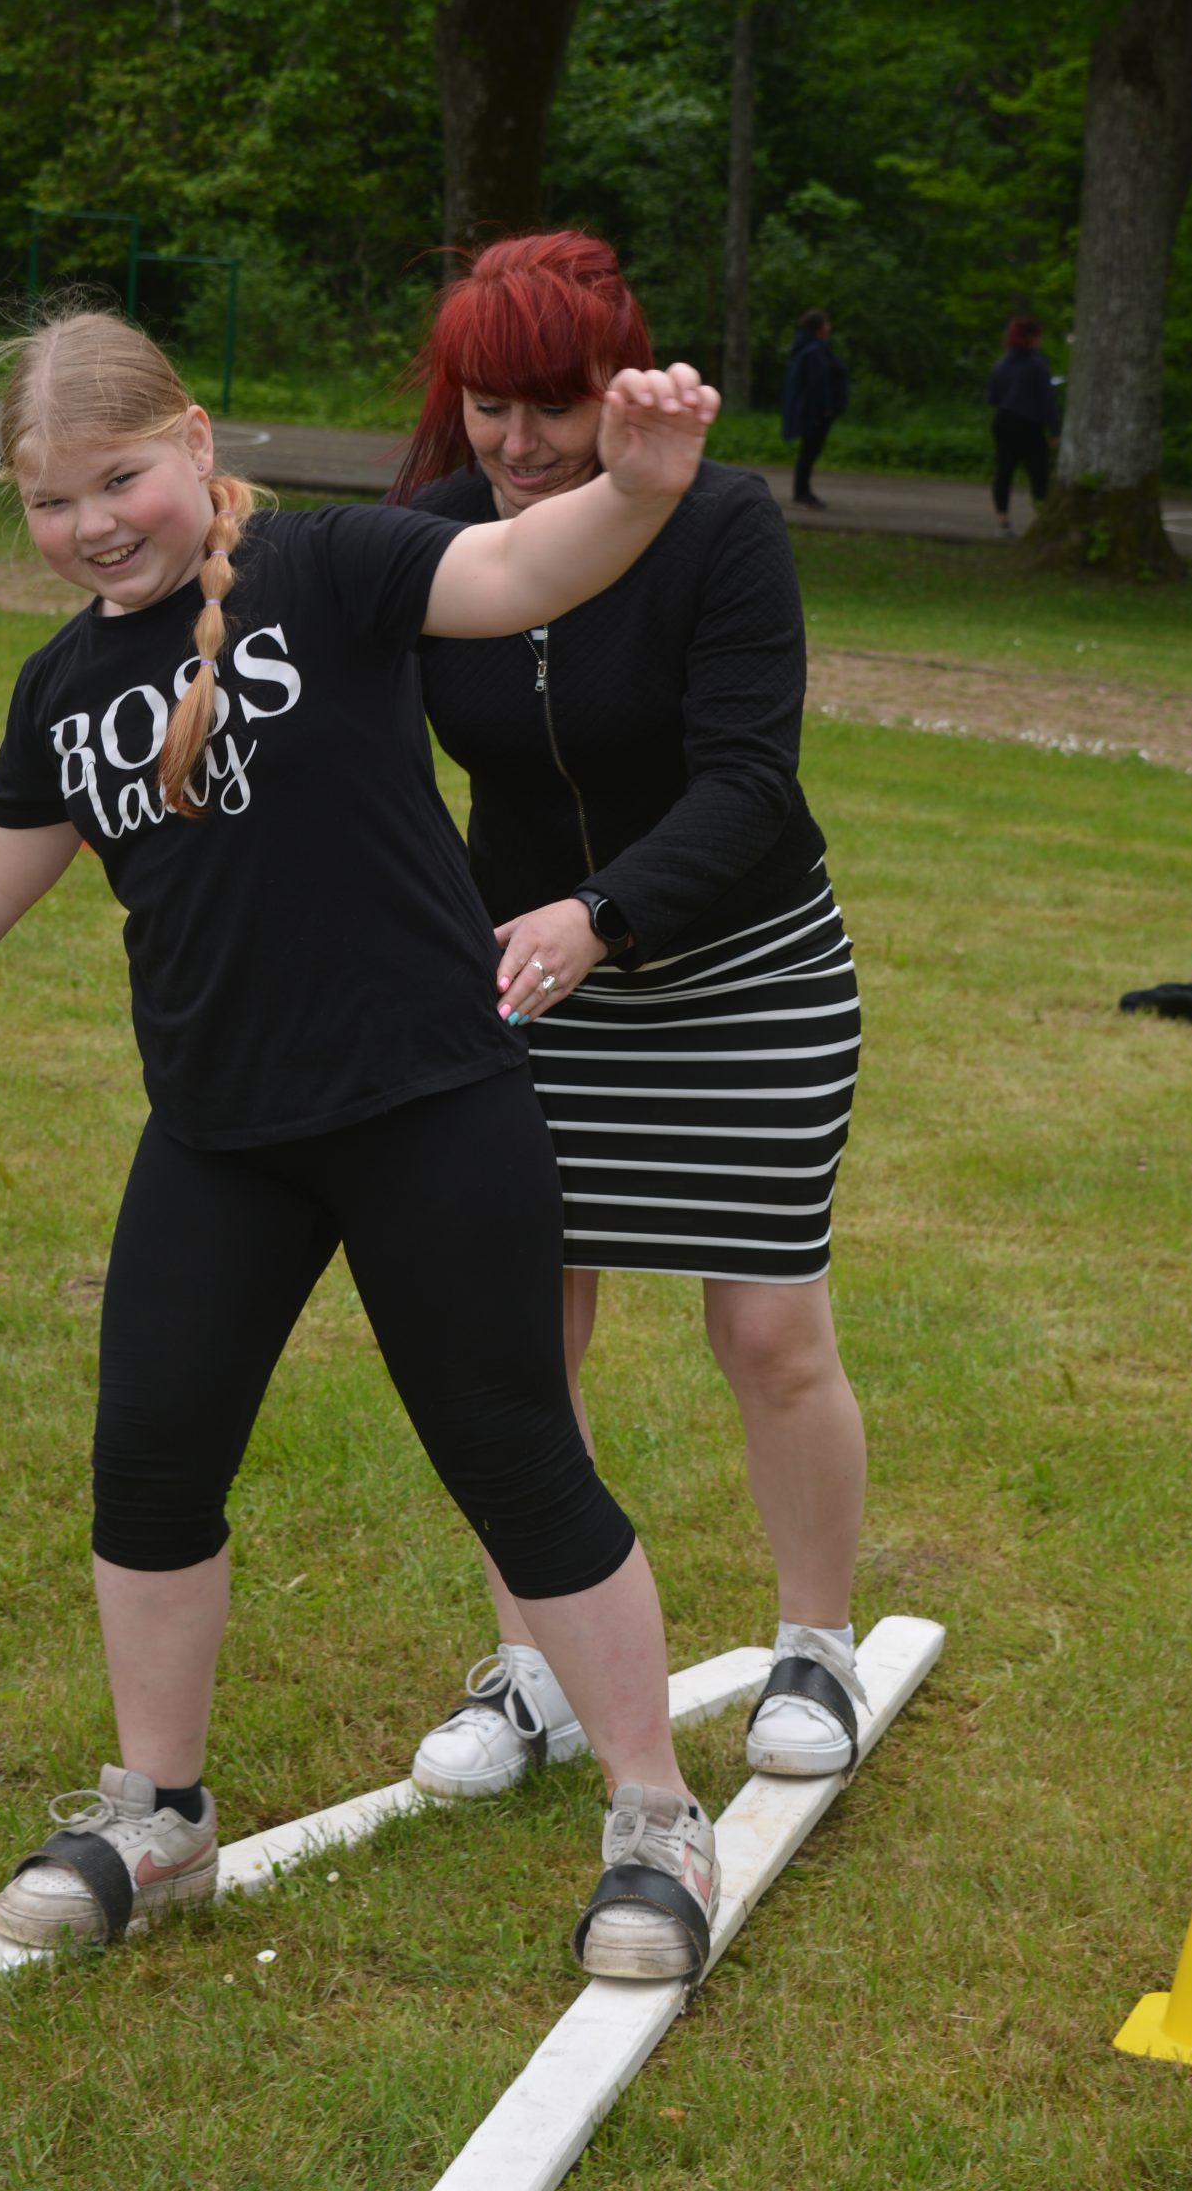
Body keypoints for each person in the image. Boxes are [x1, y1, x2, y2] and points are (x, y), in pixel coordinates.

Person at [0, 309, 731, 1983]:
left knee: (510, 1453)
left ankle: (652, 1816)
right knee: (151, 1461)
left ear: (192, 443)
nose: (91, 525)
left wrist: (630, 491)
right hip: (220, 1135)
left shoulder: (326, 571)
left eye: (117, 479)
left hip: (428, 1107)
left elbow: (514, 575)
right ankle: (158, 1816)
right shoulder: (63, 685)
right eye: (50, 501)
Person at [391, 232, 869, 1805]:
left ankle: (814, 1645)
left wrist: (599, 913)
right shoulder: (432, 537)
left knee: (766, 1332)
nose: (518, 444)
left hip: (744, 977)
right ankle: (533, 1668)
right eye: (488, 407)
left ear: (619, 388)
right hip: (531, 988)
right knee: (521, 1338)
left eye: (553, 405)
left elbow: (749, 782)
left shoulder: (717, 524)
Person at [986, 315, 1060, 533]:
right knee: (1039, 472)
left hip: (1003, 421)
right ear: (1030, 338)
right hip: (1029, 424)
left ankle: (1003, 518)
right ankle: (1042, 516)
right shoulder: (1037, 365)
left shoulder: (1000, 364)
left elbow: (992, 397)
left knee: (1004, 470)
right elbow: (1047, 401)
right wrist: (1054, 430)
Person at [779, 308, 848, 510]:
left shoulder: (809, 348)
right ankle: (802, 493)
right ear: (819, 328)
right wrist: (825, 408)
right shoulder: (814, 351)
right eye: (826, 323)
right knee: (809, 452)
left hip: (812, 412)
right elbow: (817, 383)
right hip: (815, 413)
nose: (829, 327)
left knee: (808, 452)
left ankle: (802, 491)